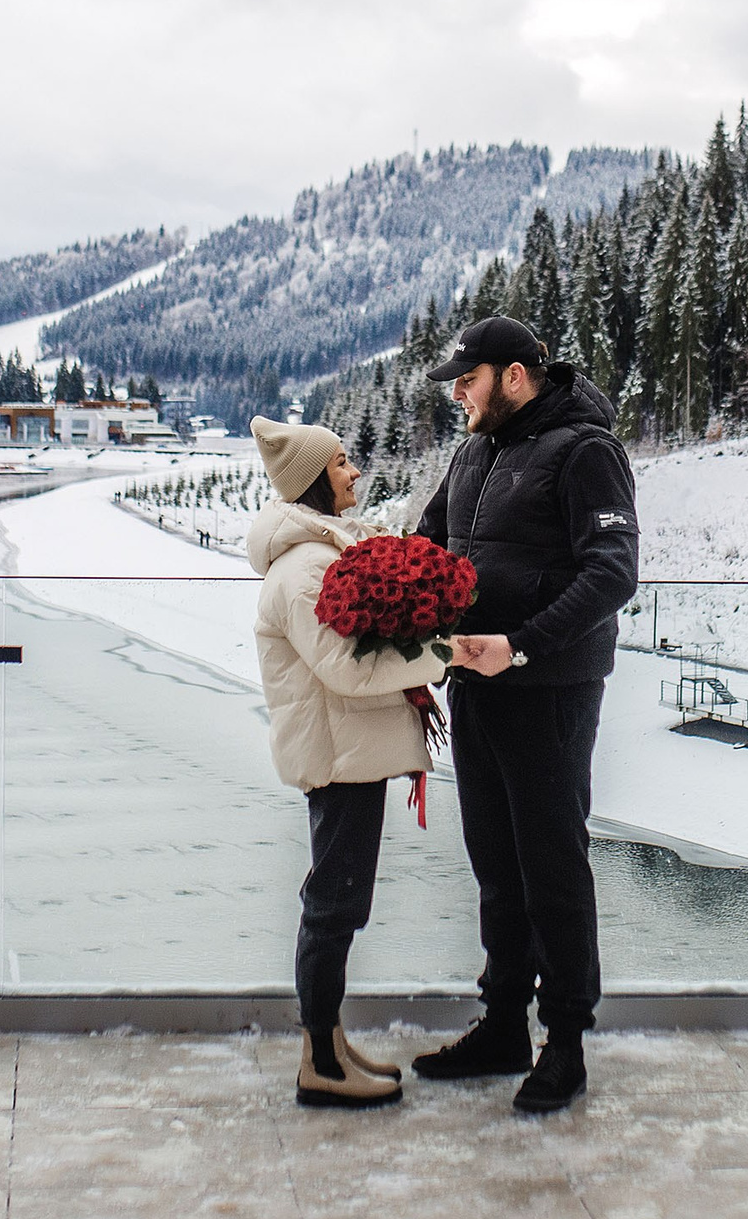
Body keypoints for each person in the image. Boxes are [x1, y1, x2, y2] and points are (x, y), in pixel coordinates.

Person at [408, 316, 638, 1113]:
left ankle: (566, 1044)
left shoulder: (586, 452)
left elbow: (614, 572)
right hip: (476, 684)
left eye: (466, 381)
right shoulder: (476, 450)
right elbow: (429, 541)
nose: (458, 396)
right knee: (497, 866)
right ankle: (504, 1022)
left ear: (513, 376)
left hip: (550, 691)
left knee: (552, 867)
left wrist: (524, 645)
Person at [247, 414, 442, 1109]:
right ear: (312, 482)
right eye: (340, 464)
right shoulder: (303, 572)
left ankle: (326, 1043)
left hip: (347, 750)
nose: (354, 471)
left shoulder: (318, 555)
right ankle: (320, 1063)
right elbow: (346, 671)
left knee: (339, 901)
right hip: (339, 755)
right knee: (332, 906)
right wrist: (441, 655)